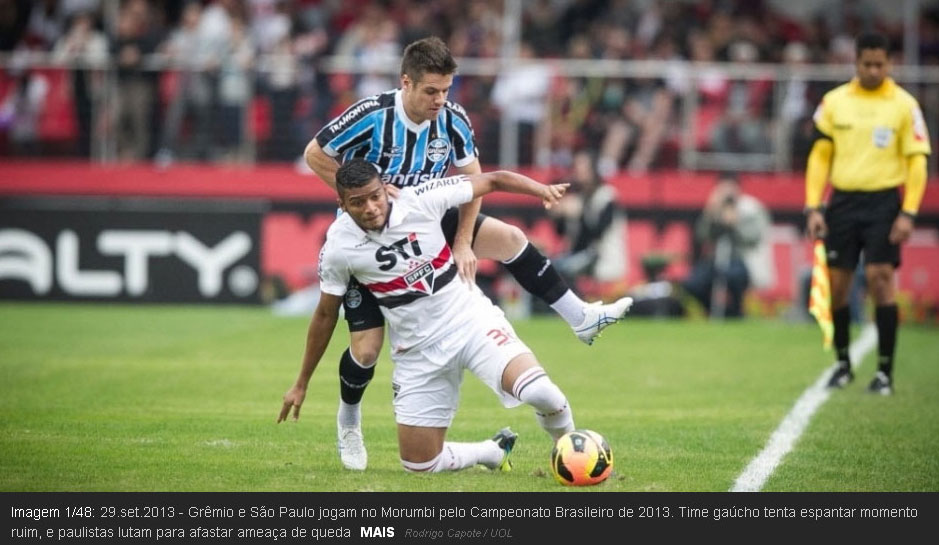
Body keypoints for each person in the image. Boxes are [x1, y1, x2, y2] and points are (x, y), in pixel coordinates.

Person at [303, 36, 634, 470]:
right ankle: (349, 421)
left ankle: (580, 317)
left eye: (446, 90)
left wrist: (461, 243)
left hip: (425, 217)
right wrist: (365, 196)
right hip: (370, 236)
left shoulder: (454, 119)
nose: (441, 99)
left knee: (512, 239)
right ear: (406, 82)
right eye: (431, 91)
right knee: (366, 350)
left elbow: (476, 179)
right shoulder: (372, 115)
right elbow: (315, 155)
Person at [278, 159, 609, 474]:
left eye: (375, 197)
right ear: (341, 202)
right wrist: (301, 382)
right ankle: (492, 452)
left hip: (472, 323)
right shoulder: (338, 246)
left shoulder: (420, 199)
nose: (371, 208)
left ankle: (570, 454)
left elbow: (492, 180)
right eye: (357, 202)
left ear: (385, 188)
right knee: (420, 465)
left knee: (542, 394)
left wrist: (540, 189)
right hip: (417, 353)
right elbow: (324, 315)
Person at [805, 32, 931, 396]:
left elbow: (917, 161)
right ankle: (843, 365)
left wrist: (908, 212)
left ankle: (885, 373)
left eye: (880, 64)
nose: (874, 70)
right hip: (842, 202)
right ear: (856, 63)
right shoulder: (834, 103)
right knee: (838, 286)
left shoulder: (905, 106)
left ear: (888, 64)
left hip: (883, 203)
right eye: (867, 64)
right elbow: (819, 157)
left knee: (879, 278)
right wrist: (814, 205)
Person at [683, 173, 771, 319]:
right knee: (693, 283)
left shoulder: (750, 208)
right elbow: (702, 235)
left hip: (743, 259)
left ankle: (737, 312)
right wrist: (710, 214)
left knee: (734, 277)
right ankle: (712, 311)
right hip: (715, 260)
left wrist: (736, 224)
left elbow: (754, 239)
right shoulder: (714, 207)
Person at [549, 149, 626, 286]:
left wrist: (580, 214)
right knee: (547, 268)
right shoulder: (577, 196)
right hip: (578, 257)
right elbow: (562, 233)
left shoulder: (607, 196)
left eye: (582, 166)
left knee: (561, 270)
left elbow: (597, 233)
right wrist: (557, 215)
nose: (578, 170)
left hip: (603, 260)